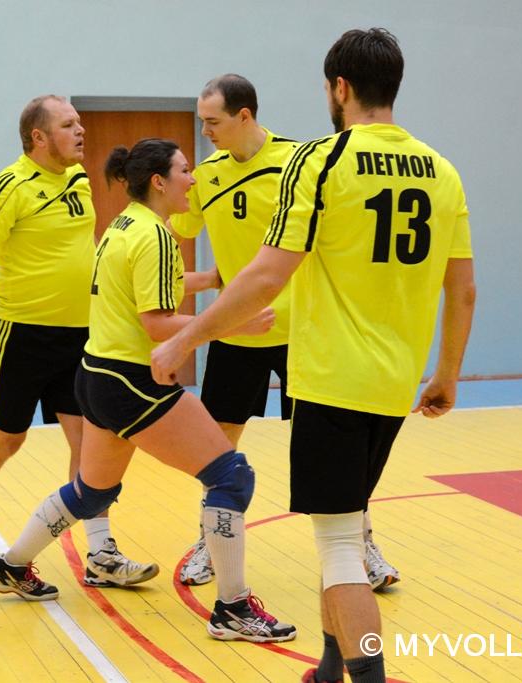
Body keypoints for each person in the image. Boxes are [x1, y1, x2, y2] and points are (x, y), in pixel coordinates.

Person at [152, 29, 476, 682]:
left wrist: (186, 337)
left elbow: (267, 275)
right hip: (395, 385)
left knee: (339, 550)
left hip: (331, 379)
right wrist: (445, 374)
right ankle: (329, 666)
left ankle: (365, 673)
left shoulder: (318, 161)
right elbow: (462, 288)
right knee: (343, 524)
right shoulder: (443, 170)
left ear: (340, 88)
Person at [0, 137, 297, 644]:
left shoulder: (124, 225)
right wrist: (234, 324)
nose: (193, 179)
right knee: (230, 477)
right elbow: (156, 323)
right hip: (132, 382)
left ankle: (10, 565)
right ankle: (233, 608)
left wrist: (212, 280)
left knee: (92, 492)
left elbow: (145, 287)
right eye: (185, 170)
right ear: (159, 181)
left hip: (95, 375)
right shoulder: (155, 236)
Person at [171, 74, 400, 591]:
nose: (205, 131)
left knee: (335, 450)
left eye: (212, 121)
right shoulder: (207, 176)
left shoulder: (300, 162)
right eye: (202, 121)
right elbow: (177, 225)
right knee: (217, 448)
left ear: (244, 115)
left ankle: (361, 545)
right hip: (236, 331)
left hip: (305, 332)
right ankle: (209, 542)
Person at [0, 95, 156, 587]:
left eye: (79, 122)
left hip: (80, 336)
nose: (81, 131)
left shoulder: (78, 177)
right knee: (6, 440)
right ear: (38, 137)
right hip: (19, 335)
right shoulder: (9, 186)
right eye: (68, 124)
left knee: (91, 442)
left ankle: (100, 553)